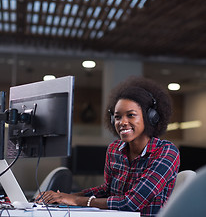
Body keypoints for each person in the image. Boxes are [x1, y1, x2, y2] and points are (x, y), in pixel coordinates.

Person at [36, 76, 180, 217]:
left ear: (151, 117)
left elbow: (131, 203)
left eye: (131, 115)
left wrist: (76, 200)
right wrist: (64, 197)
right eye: (117, 117)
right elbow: (107, 189)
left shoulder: (166, 152)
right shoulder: (114, 149)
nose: (122, 122)